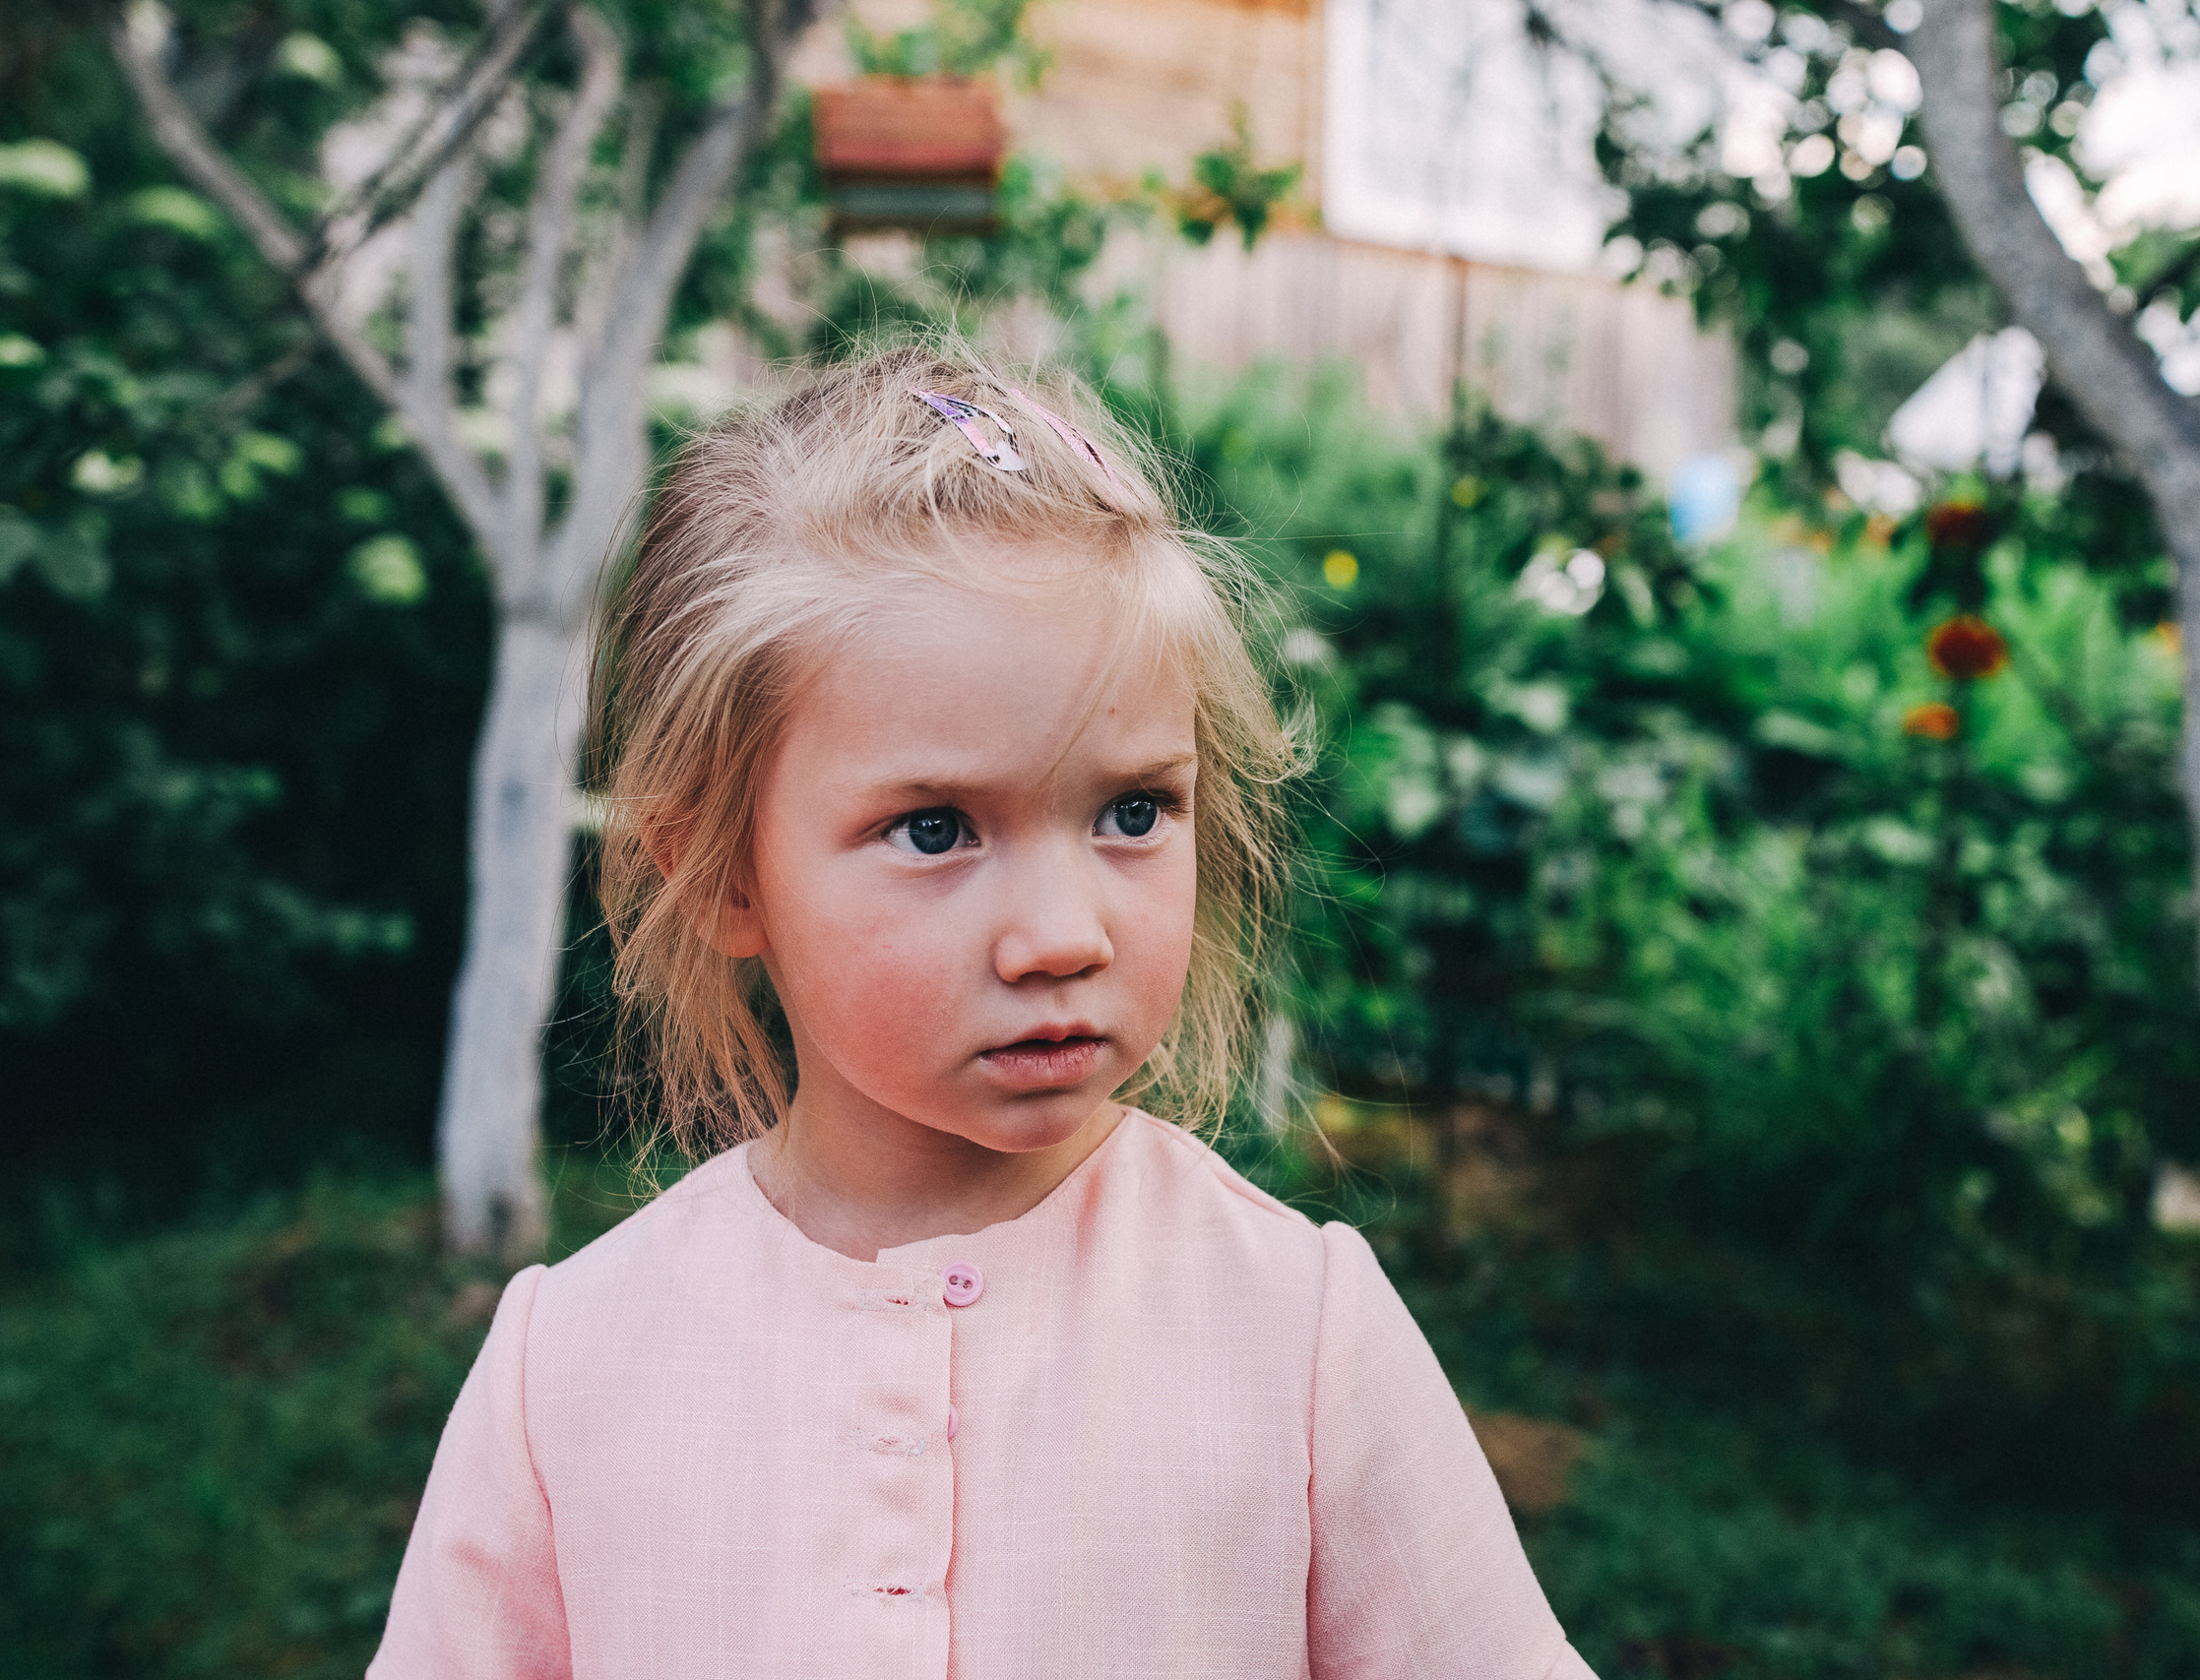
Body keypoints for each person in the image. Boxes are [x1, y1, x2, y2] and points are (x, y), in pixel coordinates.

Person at [370, 345, 1597, 1680]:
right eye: (937, 828)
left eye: (1134, 811)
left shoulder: (1297, 1333)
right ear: (724, 874)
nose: (1065, 935)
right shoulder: (574, 1368)